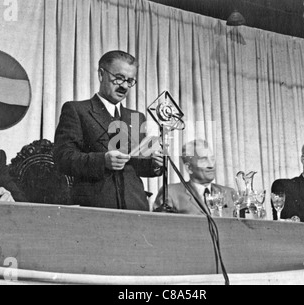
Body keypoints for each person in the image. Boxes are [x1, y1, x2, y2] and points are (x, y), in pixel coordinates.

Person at [54, 50, 163, 211]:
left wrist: (154, 164)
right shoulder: (77, 110)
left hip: (136, 207)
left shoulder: (136, 117)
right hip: (95, 207)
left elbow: (136, 167)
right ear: (101, 74)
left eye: (130, 81)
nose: (124, 86)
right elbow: (62, 158)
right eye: (119, 78)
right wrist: (102, 161)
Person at [153, 140, 236, 217]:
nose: (211, 165)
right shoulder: (170, 193)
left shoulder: (230, 193)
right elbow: (161, 226)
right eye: (203, 160)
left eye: (212, 159)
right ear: (189, 168)